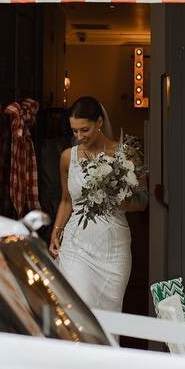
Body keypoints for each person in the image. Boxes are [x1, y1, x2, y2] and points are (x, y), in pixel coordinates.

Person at [48, 96, 147, 313]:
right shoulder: (68, 157)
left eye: (84, 129)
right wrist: (56, 231)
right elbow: (67, 200)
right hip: (77, 245)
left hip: (114, 249)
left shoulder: (125, 154)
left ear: (99, 123)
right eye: (74, 131)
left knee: (109, 317)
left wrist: (115, 199)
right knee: (80, 309)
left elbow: (142, 202)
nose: (79, 136)